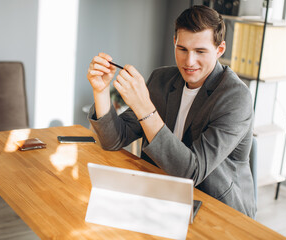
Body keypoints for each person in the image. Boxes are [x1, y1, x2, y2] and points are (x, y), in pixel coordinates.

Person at [86, 5, 256, 218]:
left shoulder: (235, 97)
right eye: (182, 49)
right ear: (174, 42)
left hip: (216, 207)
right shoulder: (161, 80)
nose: (189, 61)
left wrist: (144, 108)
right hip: (160, 194)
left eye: (200, 51)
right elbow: (113, 139)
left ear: (220, 50)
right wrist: (100, 91)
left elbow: (191, 173)